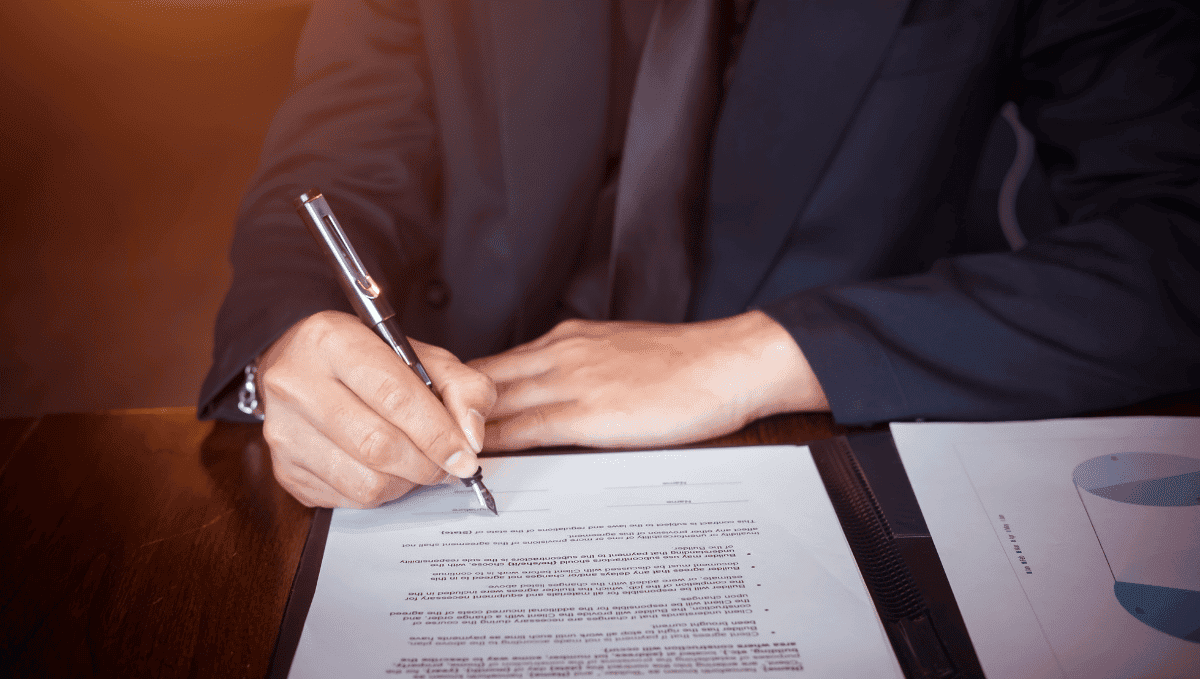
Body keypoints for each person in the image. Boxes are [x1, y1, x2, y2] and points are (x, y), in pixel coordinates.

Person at [200, 0, 1200, 509]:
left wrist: (770, 352)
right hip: (471, 422)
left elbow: (1176, 231)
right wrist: (292, 337)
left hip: (835, 432)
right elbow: (332, 166)